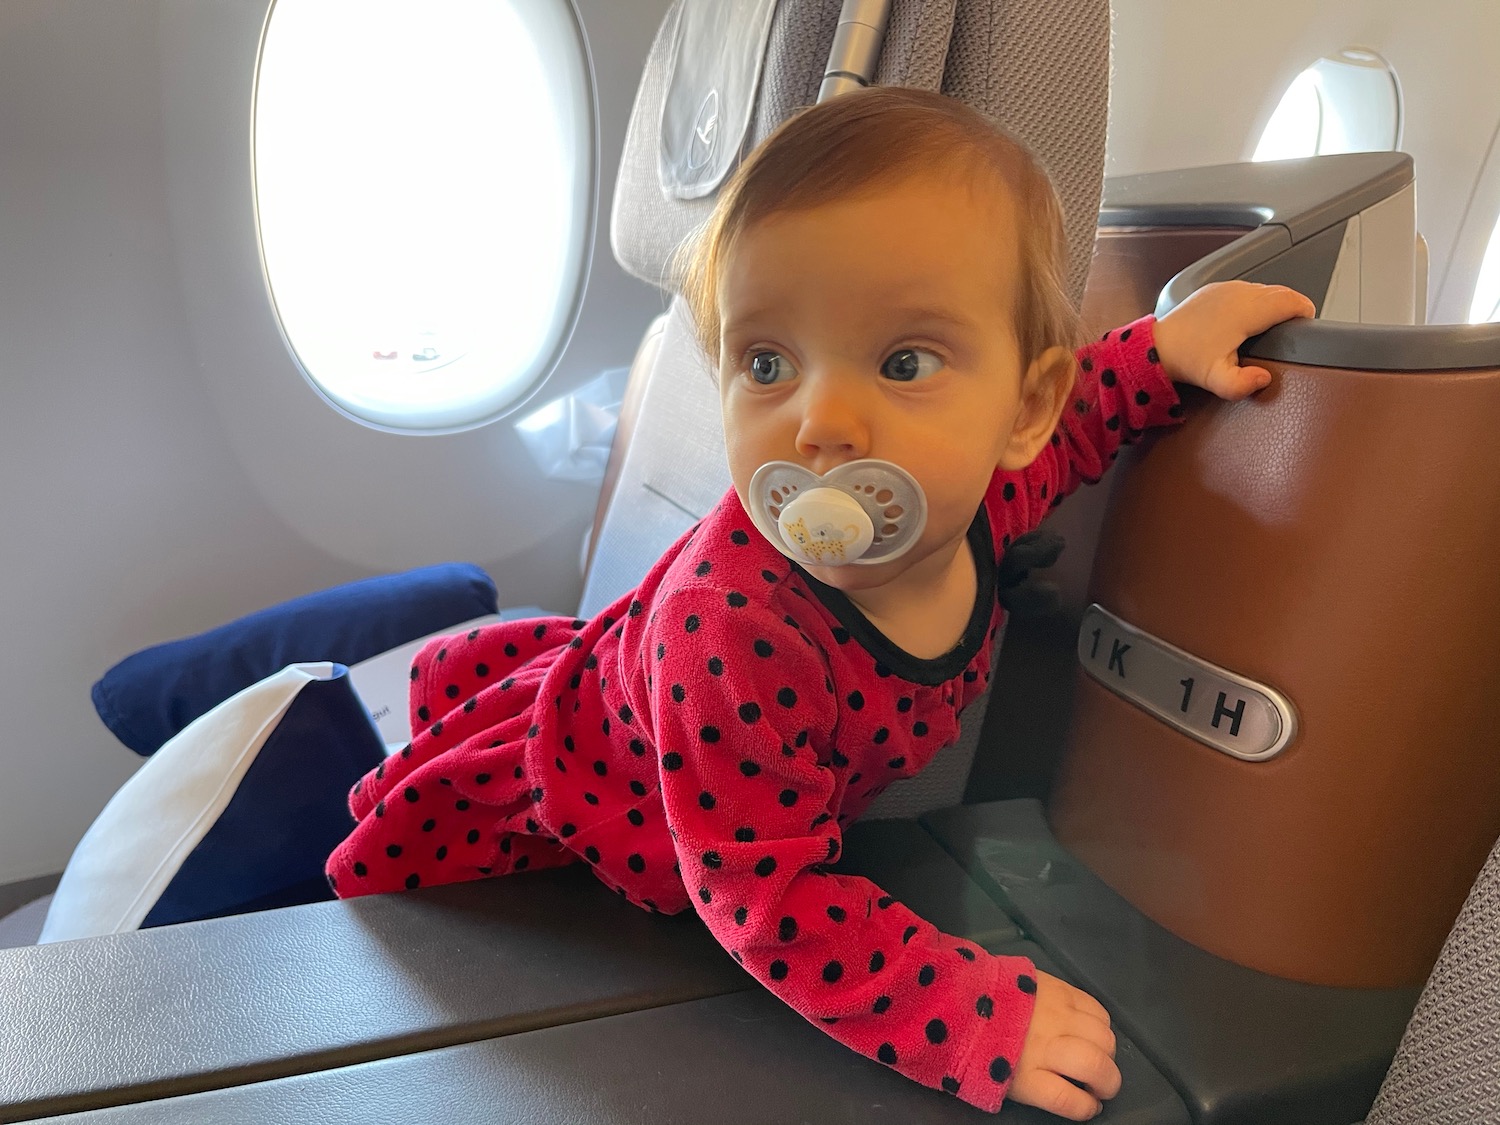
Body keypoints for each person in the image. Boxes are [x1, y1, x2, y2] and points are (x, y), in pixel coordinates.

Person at [325, 86, 1313, 1119]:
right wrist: (968, 1013)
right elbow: (768, 898)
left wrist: (1160, 350)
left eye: (902, 363)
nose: (821, 424)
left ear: (1018, 409)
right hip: (590, 812)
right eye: (767, 364)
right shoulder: (734, 632)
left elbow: (1081, 424)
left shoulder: (981, 500)